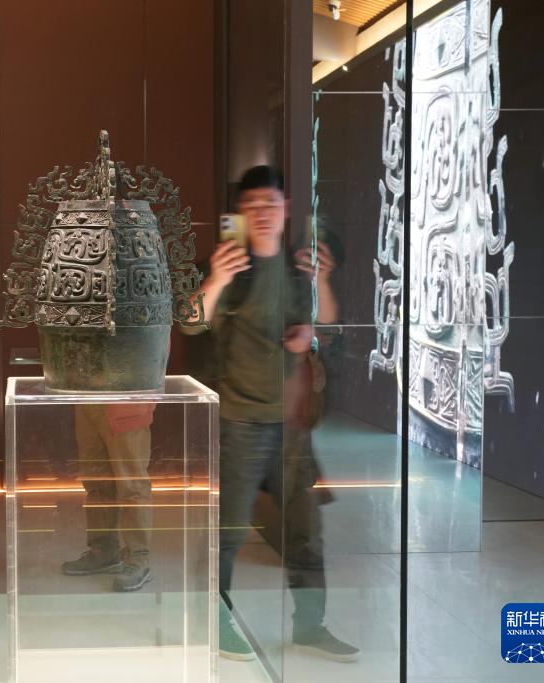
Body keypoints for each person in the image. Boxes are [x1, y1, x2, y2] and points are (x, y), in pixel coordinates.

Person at [184, 166, 358, 663]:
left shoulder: (298, 269)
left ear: (285, 212)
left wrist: (312, 323)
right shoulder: (226, 266)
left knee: (305, 535)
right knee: (228, 533)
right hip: (239, 421)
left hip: (291, 425)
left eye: (271, 204)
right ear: (239, 213)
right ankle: (217, 622)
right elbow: (190, 323)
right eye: (252, 205)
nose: (262, 213)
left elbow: (327, 323)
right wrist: (217, 278)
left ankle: (310, 627)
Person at [61, 403, 155, 592]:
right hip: (88, 398)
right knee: (97, 482)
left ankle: (139, 558)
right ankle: (104, 551)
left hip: (125, 400)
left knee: (132, 484)